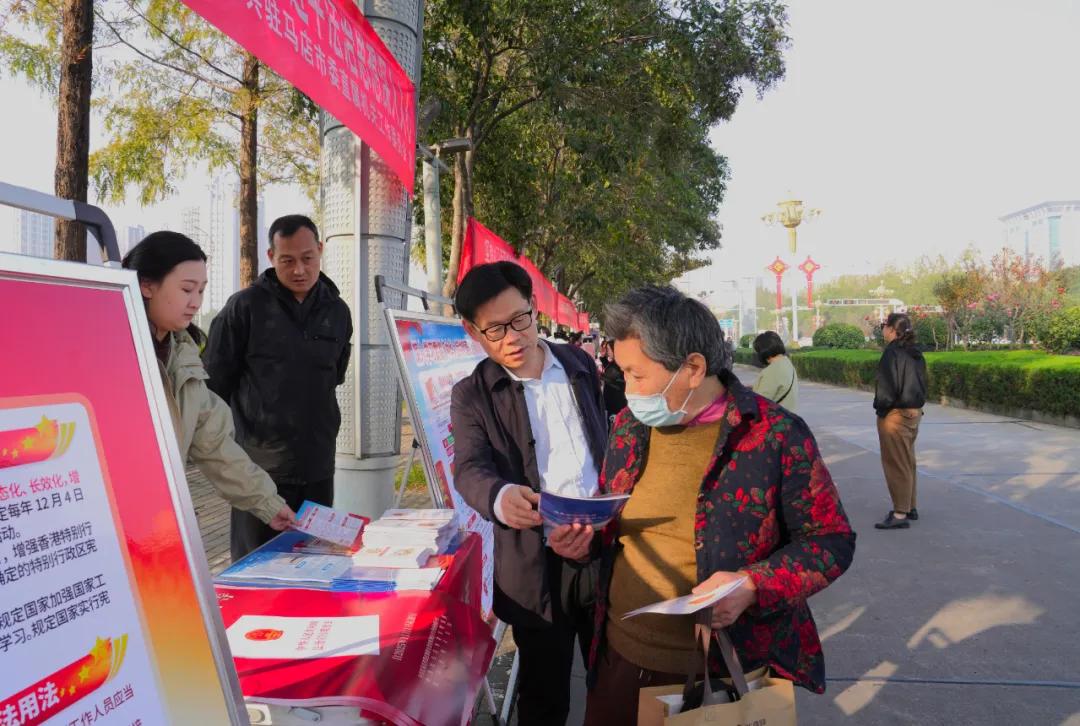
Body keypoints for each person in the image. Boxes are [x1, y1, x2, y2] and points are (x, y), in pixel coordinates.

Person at [582, 286, 855, 725]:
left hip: (724, 675)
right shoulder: (630, 426)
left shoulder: (774, 434)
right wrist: (584, 536)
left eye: (636, 375)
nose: (627, 389)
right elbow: (614, 516)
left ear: (692, 368)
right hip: (621, 656)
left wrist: (752, 584)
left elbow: (830, 541)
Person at [450, 262, 608, 726]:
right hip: (535, 566)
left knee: (611, 680)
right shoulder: (472, 394)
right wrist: (500, 498)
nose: (513, 337)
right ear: (473, 332)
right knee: (544, 694)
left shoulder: (578, 364)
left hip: (601, 548)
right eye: (495, 329)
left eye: (520, 319)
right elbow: (469, 468)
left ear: (534, 308)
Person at [122, 231, 296, 534]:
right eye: (186, 289)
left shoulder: (183, 356)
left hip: (159, 522)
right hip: (113, 522)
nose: (196, 303)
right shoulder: (112, 352)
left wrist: (268, 503)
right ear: (146, 285)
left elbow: (213, 443)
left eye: (201, 291)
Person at [204, 215, 353, 559]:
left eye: (307, 258)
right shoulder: (244, 308)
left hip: (318, 465)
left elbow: (334, 375)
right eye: (287, 260)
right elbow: (213, 389)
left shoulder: (337, 311)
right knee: (257, 566)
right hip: (260, 473)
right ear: (271, 257)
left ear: (320, 250)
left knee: (315, 561)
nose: (299, 269)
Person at [873, 312, 928, 530]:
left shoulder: (892, 352)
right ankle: (910, 506)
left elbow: (887, 386)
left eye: (884, 326)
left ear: (892, 329)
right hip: (914, 412)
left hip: (895, 414)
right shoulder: (915, 352)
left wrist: (881, 409)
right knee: (907, 462)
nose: (883, 330)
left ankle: (899, 513)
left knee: (896, 464)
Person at [750, 331, 800, 413]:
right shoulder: (787, 363)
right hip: (789, 416)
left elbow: (759, 402)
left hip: (776, 418)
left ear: (763, 352)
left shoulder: (772, 371)